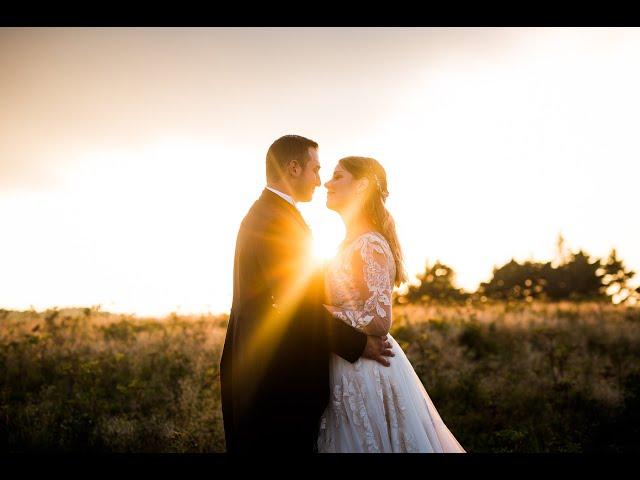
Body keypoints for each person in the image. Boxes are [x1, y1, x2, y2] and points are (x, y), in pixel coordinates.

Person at [219, 136, 394, 453]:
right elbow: (295, 307)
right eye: (315, 169)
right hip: (275, 386)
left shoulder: (274, 215)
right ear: (294, 168)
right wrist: (358, 344)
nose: (320, 180)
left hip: (275, 381)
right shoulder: (274, 221)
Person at [317, 156, 466, 453]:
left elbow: (379, 319)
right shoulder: (349, 243)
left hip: (363, 369)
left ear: (360, 187)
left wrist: (328, 313)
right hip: (344, 360)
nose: (327, 183)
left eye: (337, 176)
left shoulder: (369, 244)